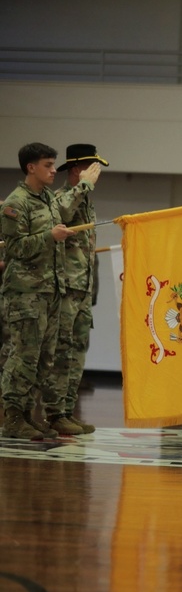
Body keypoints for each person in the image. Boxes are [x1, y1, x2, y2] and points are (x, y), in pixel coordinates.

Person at [1, 143, 101, 439]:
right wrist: (50, 235)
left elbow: (66, 212)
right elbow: (15, 248)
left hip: (51, 290)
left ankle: (31, 415)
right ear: (31, 167)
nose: (53, 170)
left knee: (45, 357)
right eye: (47, 165)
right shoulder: (15, 203)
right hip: (26, 292)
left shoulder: (47, 198)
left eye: (54, 164)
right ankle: (13, 416)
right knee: (23, 356)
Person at [41, 145, 109, 436]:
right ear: (74, 171)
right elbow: (61, 211)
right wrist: (83, 185)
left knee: (78, 351)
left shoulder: (86, 201)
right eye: (90, 168)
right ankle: (55, 413)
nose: (95, 174)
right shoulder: (61, 198)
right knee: (62, 351)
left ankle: (68, 410)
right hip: (65, 289)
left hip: (81, 290)